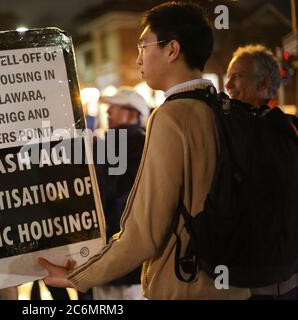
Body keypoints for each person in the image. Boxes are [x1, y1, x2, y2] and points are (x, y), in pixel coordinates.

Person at [38, 1, 251, 299]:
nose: (138, 59)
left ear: (172, 50)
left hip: (186, 286)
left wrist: (78, 277)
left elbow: (145, 233)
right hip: (234, 284)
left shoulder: (171, 117)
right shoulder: (224, 110)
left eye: (143, 46)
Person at [226, 44, 298, 299]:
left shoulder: (278, 131)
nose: (228, 85)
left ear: (263, 83)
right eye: (227, 77)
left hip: (268, 278)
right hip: (244, 273)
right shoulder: (236, 125)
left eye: (237, 76)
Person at [91, 87, 149, 300]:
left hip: (127, 262)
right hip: (110, 258)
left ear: (133, 114)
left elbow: (114, 191)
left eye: (115, 107)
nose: (109, 111)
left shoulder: (139, 146)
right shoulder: (110, 144)